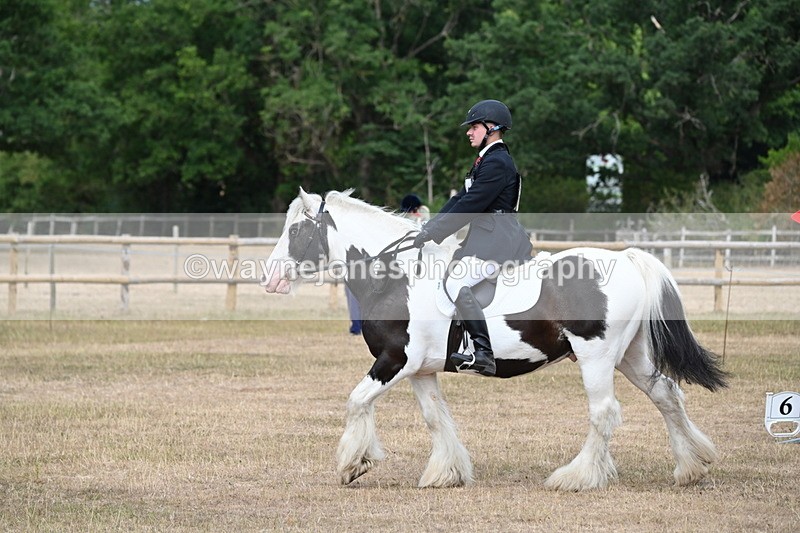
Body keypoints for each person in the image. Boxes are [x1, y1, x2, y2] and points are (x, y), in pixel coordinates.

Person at [413, 99, 532, 376]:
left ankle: (483, 353)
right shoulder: (487, 160)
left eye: (474, 126)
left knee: (456, 281)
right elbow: (462, 200)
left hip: (498, 242)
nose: (469, 132)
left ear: (493, 128)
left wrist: (436, 231)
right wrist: (430, 227)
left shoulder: (498, 162)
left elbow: (472, 204)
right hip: (486, 239)